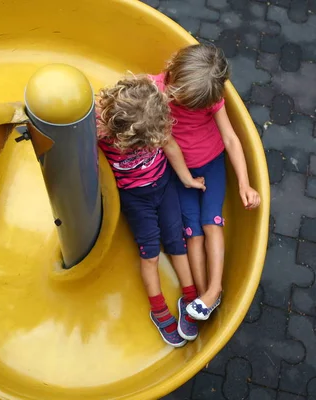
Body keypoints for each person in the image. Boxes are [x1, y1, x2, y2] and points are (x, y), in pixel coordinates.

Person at [150, 44, 261, 321]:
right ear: (172, 68)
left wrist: (244, 184)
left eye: (185, 102)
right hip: (180, 171)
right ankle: (203, 298)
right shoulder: (155, 87)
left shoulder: (210, 97)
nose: (176, 100)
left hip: (211, 164)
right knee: (193, 233)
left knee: (212, 223)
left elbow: (231, 139)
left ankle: (215, 289)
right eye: (176, 95)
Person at [97, 74, 206, 347]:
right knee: (150, 254)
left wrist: (187, 179)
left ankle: (190, 297)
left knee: (176, 243)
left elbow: (170, 145)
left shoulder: (151, 114)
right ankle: (159, 310)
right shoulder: (102, 133)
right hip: (135, 199)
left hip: (164, 185)